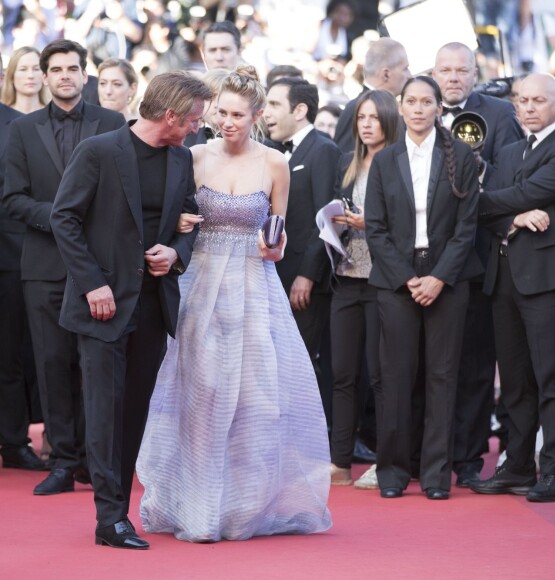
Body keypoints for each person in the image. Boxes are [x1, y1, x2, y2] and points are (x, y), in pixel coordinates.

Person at [136, 65, 332, 543]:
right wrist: (183, 225)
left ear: (257, 115)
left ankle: (245, 506)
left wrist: (275, 247)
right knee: (200, 395)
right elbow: (172, 218)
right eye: (220, 112)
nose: (226, 121)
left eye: (237, 114)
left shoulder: (275, 164)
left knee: (256, 400)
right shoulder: (192, 155)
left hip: (254, 287)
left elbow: (279, 236)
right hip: (200, 287)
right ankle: (198, 503)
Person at [50, 71, 211, 549]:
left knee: (134, 410)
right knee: (105, 411)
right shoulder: (100, 151)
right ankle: (110, 518)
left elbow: (189, 219)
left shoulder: (181, 158)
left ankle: (117, 511)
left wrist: (176, 251)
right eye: (194, 121)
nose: (198, 129)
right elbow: (64, 217)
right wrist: (93, 284)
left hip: (152, 304)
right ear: (170, 116)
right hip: (101, 306)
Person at [2, 39, 125, 496]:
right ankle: (63, 459)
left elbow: (122, 192)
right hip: (44, 266)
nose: (64, 76)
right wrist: (59, 219)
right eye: (56, 70)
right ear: (47, 76)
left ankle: (97, 462)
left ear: (84, 74)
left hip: (99, 267)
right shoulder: (23, 129)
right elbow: (11, 197)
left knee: (95, 367)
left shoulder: (112, 123)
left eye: (73, 68)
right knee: (51, 363)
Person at [365, 75, 481, 500]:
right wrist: (407, 278)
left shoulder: (461, 156)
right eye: (410, 101)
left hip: (448, 277)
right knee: (395, 377)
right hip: (397, 279)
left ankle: (436, 475)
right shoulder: (385, 159)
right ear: (400, 105)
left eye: (425, 102)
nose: (417, 109)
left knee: (442, 376)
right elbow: (375, 229)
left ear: (438, 108)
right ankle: (393, 472)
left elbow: (467, 227)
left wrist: (439, 277)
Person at [470, 73, 555, 503]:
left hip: (549, 279)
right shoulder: (511, 149)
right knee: (514, 380)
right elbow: (483, 208)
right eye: (522, 100)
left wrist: (504, 201)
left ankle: (552, 470)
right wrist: (516, 215)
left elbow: (528, 190)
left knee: (552, 375)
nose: (530, 107)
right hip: (504, 277)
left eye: (538, 100)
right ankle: (516, 464)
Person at [431, 41, 524, 488]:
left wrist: (479, 170)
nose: (453, 78)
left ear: (474, 73)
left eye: (461, 70)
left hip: (479, 256)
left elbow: (511, 178)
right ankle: (424, 453)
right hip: (423, 255)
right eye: (445, 70)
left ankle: (467, 458)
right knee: (424, 362)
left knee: (474, 361)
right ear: (433, 73)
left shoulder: (500, 114)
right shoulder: (416, 107)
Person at [328, 90, 400, 487]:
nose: (366, 124)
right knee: (342, 373)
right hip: (346, 275)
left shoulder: (399, 163)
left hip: (382, 281)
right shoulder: (348, 162)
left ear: (389, 119)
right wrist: (334, 225)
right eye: (360, 118)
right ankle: (339, 460)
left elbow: (404, 226)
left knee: (380, 376)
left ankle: (387, 462)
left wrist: (366, 223)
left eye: (374, 117)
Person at [264, 77, 342, 420]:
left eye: (274, 105)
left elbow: (325, 218)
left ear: (300, 110)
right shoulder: (270, 150)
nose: (265, 113)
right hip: (273, 275)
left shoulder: (323, 150)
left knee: (301, 362)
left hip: (304, 283)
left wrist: (308, 276)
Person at [0, 54, 47, 472]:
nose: (31, 75)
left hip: (41, 248)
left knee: (35, 348)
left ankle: (35, 437)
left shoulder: (55, 120)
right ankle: (12, 439)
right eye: (24, 69)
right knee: (9, 348)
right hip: (9, 247)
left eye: (38, 68)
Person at [333, 37, 411, 153]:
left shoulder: (397, 110)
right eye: (405, 69)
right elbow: (345, 163)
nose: (410, 75)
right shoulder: (355, 109)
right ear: (386, 74)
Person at [0, 46, 49, 113]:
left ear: (44, 75)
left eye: (36, 69)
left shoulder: (55, 116)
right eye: (23, 69)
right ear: (11, 76)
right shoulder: (2, 116)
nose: (30, 75)